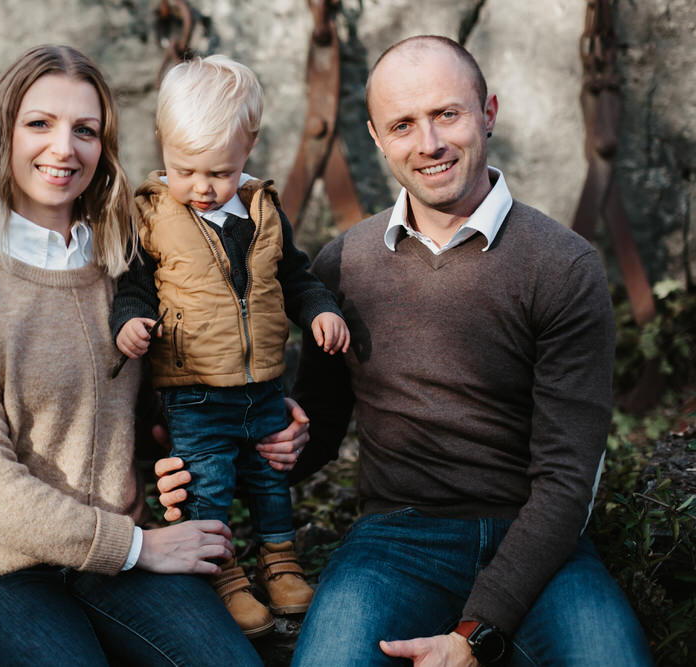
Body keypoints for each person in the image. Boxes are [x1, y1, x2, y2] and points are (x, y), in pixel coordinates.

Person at [158, 36, 653, 666]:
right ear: (375, 136)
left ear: (488, 113)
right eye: (403, 124)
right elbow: (313, 430)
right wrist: (205, 461)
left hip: (538, 542)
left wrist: (476, 632)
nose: (429, 144)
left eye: (448, 114)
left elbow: (566, 482)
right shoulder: (345, 265)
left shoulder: (562, 266)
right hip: (395, 540)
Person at [0, 44, 264, 666]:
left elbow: (154, 411)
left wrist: (251, 429)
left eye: (85, 130)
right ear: (3, 133)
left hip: (113, 560)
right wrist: (140, 548)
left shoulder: (122, 270)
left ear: (104, 148)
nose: (64, 148)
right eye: (39, 124)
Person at [110, 54, 350, 638]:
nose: (201, 187)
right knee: (208, 481)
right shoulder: (150, 216)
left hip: (263, 380)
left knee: (271, 474)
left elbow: (294, 276)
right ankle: (222, 572)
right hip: (192, 390)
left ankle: (281, 561)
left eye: (218, 172)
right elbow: (133, 285)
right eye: (185, 170)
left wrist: (319, 308)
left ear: (249, 146)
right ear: (163, 144)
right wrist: (131, 323)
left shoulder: (264, 208)